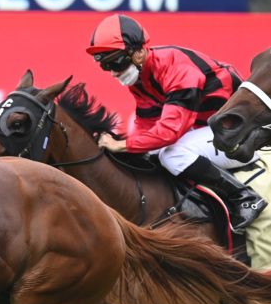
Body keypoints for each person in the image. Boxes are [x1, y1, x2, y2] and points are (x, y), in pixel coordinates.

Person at [89, 13, 267, 233]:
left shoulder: (176, 67)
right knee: (151, 154)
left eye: (116, 62)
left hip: (242, 135)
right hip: (210, 129)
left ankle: (244, 198)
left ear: (139, 52)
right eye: (105, 66)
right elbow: (147, 124)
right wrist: (130, 148)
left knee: (173, 154)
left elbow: (169, 132)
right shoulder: (140, 79)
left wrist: (122, 144)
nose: (113, 72)